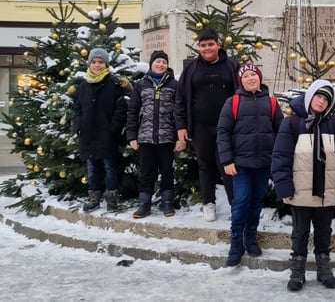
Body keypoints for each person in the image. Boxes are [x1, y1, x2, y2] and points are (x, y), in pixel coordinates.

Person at [271, 79, 335, 292]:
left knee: (324, 231)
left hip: (327, 191)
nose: (321, 101)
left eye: (326, 99)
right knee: (300, 233)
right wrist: (284, 187)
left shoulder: (333, 125)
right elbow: (280, 157)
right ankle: (297, 269)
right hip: (301, 191)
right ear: (310, 96)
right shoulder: (292, 123)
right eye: (318, 96)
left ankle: (323, 267)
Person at [217, 63, 284, 266]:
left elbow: (281, 132)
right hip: (241, 165)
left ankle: (251, 237)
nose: (250, 78)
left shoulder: (271, 102)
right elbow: (223, 132)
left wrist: (278, 159)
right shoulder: (233, 102)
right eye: (246, 76)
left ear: (259, 78)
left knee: (256, 201)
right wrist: (227, 160)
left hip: (264, 163)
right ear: (241, 81)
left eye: (253, 75)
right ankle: (236, 243)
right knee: (241, 201)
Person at [175, 28, 240, 221]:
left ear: (218, 45)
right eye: (203, 45)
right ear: (199, 47)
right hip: (200, 126)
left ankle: (235, 205)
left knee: (226, 164)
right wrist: (181, 126)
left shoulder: (231, 66)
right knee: (204, 165)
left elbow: (241, 94)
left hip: (226, 127)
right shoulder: (191, 69)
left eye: (210, 44)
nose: (207, 48)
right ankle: (208, 203)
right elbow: (180, 98)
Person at [126, 50, 182, 218]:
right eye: (157, 61)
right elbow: (133, 111)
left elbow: (179, 111)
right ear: (151, 64)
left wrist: (179, 136)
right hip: (145, 137)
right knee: (146, 172)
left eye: (164, 62)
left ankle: (167, 202)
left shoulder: (174, 85)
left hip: (167, 137)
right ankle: (144, 204)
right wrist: (132, 136)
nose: (160, 64)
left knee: (167, 171)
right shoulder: (140, 85)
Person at [72, 47, 128, 212]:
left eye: (101, 62)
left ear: (106, 64)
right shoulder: (84, 86)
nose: (97, 65)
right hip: (88, 134)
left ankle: (111, 196)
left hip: (107, 135)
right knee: (92, 167)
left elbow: (120, 108)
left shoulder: (114, 84)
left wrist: (113, 129)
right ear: (89, 64)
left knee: (109, 167)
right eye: (94, 62)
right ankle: (94, 196)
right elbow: (78, 108)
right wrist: (78, 125)